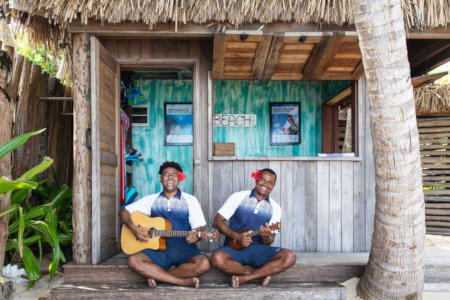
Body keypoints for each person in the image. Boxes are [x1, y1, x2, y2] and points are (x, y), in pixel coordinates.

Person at [119, 161, 210, 288]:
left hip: (183, 247)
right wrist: (134, 228)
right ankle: (180, 282)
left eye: (174, 174)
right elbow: (124, 212)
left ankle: (160, 276)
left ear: (179, 179)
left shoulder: (190, 200)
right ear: (161, 179)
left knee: (204, 263)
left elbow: (197, 230)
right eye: (166, 174)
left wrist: (196, 236)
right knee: (133, 260)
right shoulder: (151, 199)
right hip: (156, 249)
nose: (170, 177)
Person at [211, 168, 296, 288]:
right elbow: (217, 222)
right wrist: (236, 236)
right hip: (234, 248)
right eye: (262, 179)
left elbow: (269, 241)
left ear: (273, 186)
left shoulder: (275, 208)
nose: (265, 184)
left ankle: (246, 278)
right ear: (257, 179)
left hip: (258, 250)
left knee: (289, 256)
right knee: (217, 258)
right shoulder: (238, 197)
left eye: (269, 182)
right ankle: (257, 275)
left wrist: (266, 235)